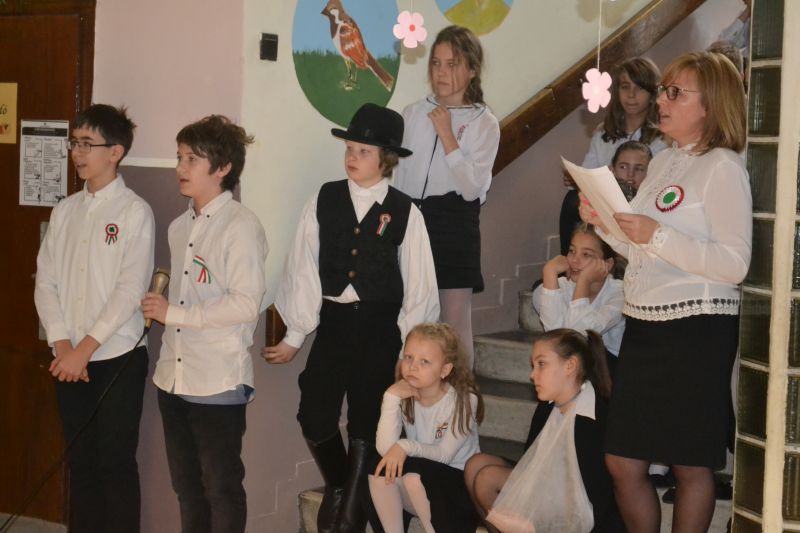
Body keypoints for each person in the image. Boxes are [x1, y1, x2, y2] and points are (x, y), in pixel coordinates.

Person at [579, 51, 751, 532]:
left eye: (676, 92)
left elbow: (735, 262)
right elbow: (641, 247)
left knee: (689, 464)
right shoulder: (664, 162)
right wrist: (605, 225)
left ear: (710, 104)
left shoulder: (723, 167)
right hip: (646, 325)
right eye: (664, 90)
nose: (662, 100)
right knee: (622, 460)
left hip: (696, 330)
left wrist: (656, 235)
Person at [262, 103, 439, 533]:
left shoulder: (405, 212)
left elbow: (420, 286)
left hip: (381, 330)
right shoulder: (323, 199)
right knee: (314, 412)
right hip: (335, 324)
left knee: (367, 420)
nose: (352, 157)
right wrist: (296, 333)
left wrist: (411, 351)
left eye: (364, 151)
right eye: (350, 148)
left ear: (386, 159)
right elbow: (303, 267)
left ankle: (349, 517)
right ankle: (342, 486)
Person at [142, 115, 267, 533]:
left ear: (223, 167)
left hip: (216, 380)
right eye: (179, 157)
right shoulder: (180, 227)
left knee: (222, 490)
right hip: (173, 377)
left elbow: (246, 303)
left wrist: (173, 314)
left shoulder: (241, 226)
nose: (180, 168)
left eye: (191, 159)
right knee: (187, 489)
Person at [34, 104, 154, 533]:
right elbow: (45, 282)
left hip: (116, 356)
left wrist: (84, 350)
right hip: (67, 358)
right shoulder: (65, 210)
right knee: (80, 462)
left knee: (114, 464)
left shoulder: (134, 211)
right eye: (75, 143)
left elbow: (129, 291)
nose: (77, 153)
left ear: (115, 152)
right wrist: (63, 345)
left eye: (88, 144)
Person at [394, 25, 500, 367]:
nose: (441, 72)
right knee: (410, 316)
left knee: (453, 324)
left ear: (472, 70)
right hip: (412, 218)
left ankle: (460, 398)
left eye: (452, 64)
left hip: (455, 221)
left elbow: (472, 188)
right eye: (436, 63)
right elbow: (400, 174)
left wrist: (447, 135)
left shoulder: (485, 122)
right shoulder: (413, 113)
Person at [464, 329, 618, 533]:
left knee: (486, 479)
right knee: (476, 465)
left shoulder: (593, 418)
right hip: (547, 485)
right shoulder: (547, 405)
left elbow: (591, 498)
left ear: (570, 366)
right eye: (533, 366)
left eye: (541, 364)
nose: (532, 375)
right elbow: (530, 460)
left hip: (578, 507)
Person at [369, 323, 483, 533]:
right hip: (425, 479)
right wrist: (390, 397)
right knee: (378, 470)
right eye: (408, 357)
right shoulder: (405, 395)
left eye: (424, 361)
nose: (412, 367)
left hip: (459, 487)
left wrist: (405, 446)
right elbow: (385, 450)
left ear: (445, 369)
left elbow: (444, 455)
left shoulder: (464, 400)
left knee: (414, 477)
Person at [559, 56, 667, 255]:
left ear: (653, 94)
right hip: (603, 202)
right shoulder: (603, 132)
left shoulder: (662, 137)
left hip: (639, 203)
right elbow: (588, 172)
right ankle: (570, 260)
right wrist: (574, 178)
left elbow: (658, 183)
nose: (631, 95)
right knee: (572, 200)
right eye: (625, 87)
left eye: (639, 88)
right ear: (617, 92)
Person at [532, 224, 624, 374]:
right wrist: (549, 271)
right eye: (572, 251)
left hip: (608, 370)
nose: (574, 260)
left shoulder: (621, 294)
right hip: (571, 367)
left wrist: (583, 282)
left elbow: (577, 334)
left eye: (586, 254)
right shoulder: (558, 286)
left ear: (608, 264)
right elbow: (555, 340)